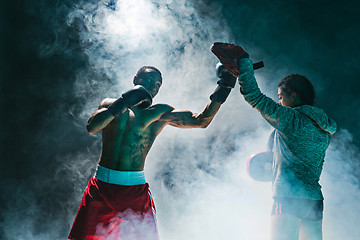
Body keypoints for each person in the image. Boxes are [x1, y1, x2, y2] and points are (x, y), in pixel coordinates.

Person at [68, 64, 236, 240]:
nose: (152, 85)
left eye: (157, 84)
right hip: (102, 187)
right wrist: (123, 102)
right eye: (147, 79)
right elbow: (91, 127)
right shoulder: (110, 104)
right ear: (135, 80)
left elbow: (201, 120)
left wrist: (224, 86)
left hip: (134, 191)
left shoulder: (159, 113)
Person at [213, 43, 336, 240]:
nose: (279, 102)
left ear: (293, 96)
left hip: (288, 198)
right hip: (314, 200)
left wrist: (244, 63)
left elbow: (253, 96)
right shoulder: (324, 127)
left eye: (280, 97)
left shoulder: (291, 118)